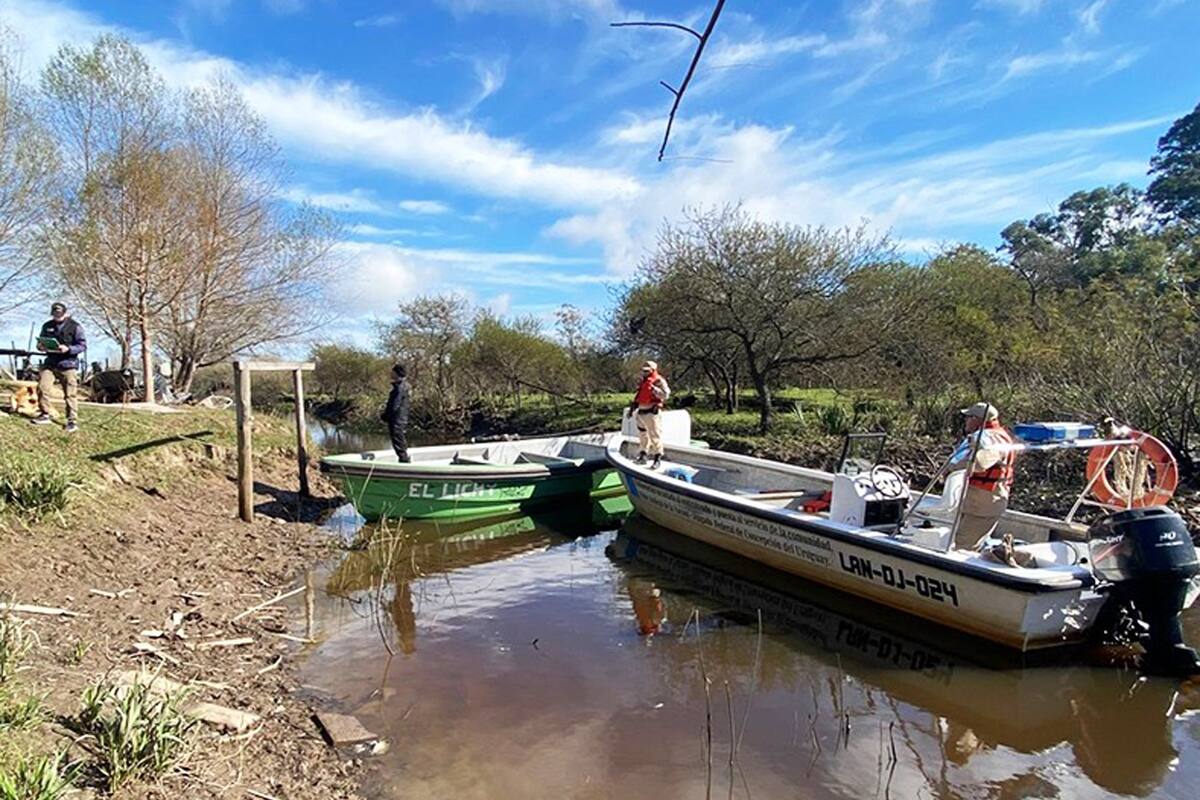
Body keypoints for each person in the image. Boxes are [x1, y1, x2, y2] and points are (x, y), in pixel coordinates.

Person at [949, 402, 1016, 549]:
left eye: (968, 417)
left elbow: (980, 463)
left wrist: (953, 466)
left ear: (978, 419)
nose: (966, 421)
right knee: (962, 540)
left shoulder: (988, 438)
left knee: (963, 546)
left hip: (982, 504)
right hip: (980, 502)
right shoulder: (997, 435)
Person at [33, 302, 86, 433]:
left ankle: (72, 421)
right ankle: (45, 414)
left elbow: (82, 345)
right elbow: (41, 342)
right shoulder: (47, 326)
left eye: (60, 314)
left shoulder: (75, 327)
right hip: (50, 363)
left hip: (68, 364)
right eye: (55, 314)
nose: (57, 317)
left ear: (65, 313)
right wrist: (41, 347)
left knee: (70, 394)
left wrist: (68, 349)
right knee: (42, 387)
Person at [629, 360, 670, 469]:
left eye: (647, 371)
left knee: (655, 436)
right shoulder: (643, 381)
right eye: (643, 371)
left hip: (652, 411)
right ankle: (643, 454)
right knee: (642, 434)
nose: (644, 372)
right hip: (641, 411)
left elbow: (666, 395)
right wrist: (633, 407)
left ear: (653, 370)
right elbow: (640, 395)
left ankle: (657, 457)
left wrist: (654, 390)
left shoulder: (658, 381)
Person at [381, 363, 411, 462]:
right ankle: (403, 459)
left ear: (397, 373)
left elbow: (395, 405)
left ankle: (404, 460)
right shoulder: (404, 386)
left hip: (397, 419)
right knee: (399, 438)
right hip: (400, 418)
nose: (391, 374)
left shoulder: (400, 387)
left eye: (393, 372)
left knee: (398, 439)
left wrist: (386, 416)